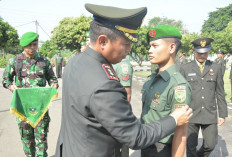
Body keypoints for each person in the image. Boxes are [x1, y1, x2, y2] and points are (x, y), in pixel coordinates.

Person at [55, 3, 192, 157]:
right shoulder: (104, 83)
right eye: (126, 44)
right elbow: (135, 136)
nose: (128, 50)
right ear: (103, 41)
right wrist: (174, 119)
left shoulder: (76, 61)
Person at [2, 32, 58, 157]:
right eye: (29, 45)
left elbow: (52, 79)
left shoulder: (44, 61)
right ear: (23, 46)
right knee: (27, 140)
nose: (32, 47)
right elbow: (5, 80)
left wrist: (54, 85)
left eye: (35, 44)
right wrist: (11, 86)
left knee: (41, 140)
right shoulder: (14, 61)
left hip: (40, 108)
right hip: (23, 108)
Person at [140, 25, 192, 157]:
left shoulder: (178, 85)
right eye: (150, 46)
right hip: (145, 143)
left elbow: (180, 134)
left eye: (155, 46)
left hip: (162, 149)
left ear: (172, 48)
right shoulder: (151, 79)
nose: (149, 50)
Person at [179, 37, 228, 157]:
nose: (202, 55)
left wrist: (222, 113)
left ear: (209, 51)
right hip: (191, 112)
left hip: (209, 113)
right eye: (199, 52)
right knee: (190, 145)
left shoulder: (215, 67)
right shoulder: (185, 68)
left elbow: (220, 92)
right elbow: (180, 91)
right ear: (194, 51)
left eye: (205, 52)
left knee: (211, 144)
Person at [113, 55, 133, 157]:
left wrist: (121, 117)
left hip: (119, 113)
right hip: (111, 111)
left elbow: (126, 94)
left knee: (122, 148)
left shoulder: (122, 64)